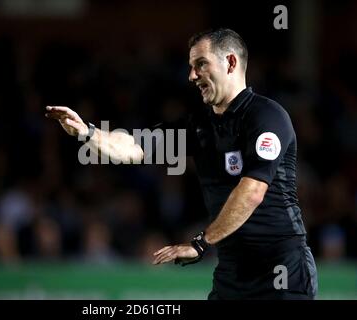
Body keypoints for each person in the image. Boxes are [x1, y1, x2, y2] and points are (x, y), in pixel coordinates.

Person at [45, 28, 318, 300]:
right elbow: (132, 148)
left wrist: (201, 243)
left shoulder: (267, 116)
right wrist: (87, 132)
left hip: (282, 270)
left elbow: (252, 192)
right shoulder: (198, 126)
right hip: (232, 273)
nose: (192, 76)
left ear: (231, 62)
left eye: (201, 64)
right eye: (190, 67)